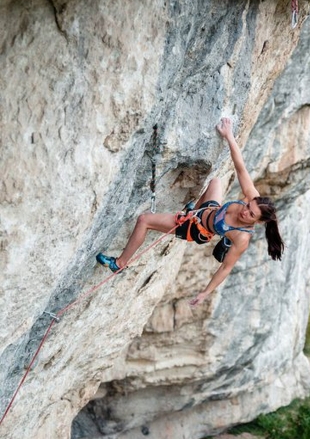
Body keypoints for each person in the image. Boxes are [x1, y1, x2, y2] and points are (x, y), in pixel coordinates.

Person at [96, 117, 284, 306]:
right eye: (247, 207)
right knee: (215, 182)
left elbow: (226, 268)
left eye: (251, 215)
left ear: (258, 222)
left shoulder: (241, 238)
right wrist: (229, 136)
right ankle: (192, 208)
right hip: (208, 209)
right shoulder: (253, 198)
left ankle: (120, 263)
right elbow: (241, 168)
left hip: (196, 229)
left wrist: (205, 293)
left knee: (144, 220)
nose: (245, 212)